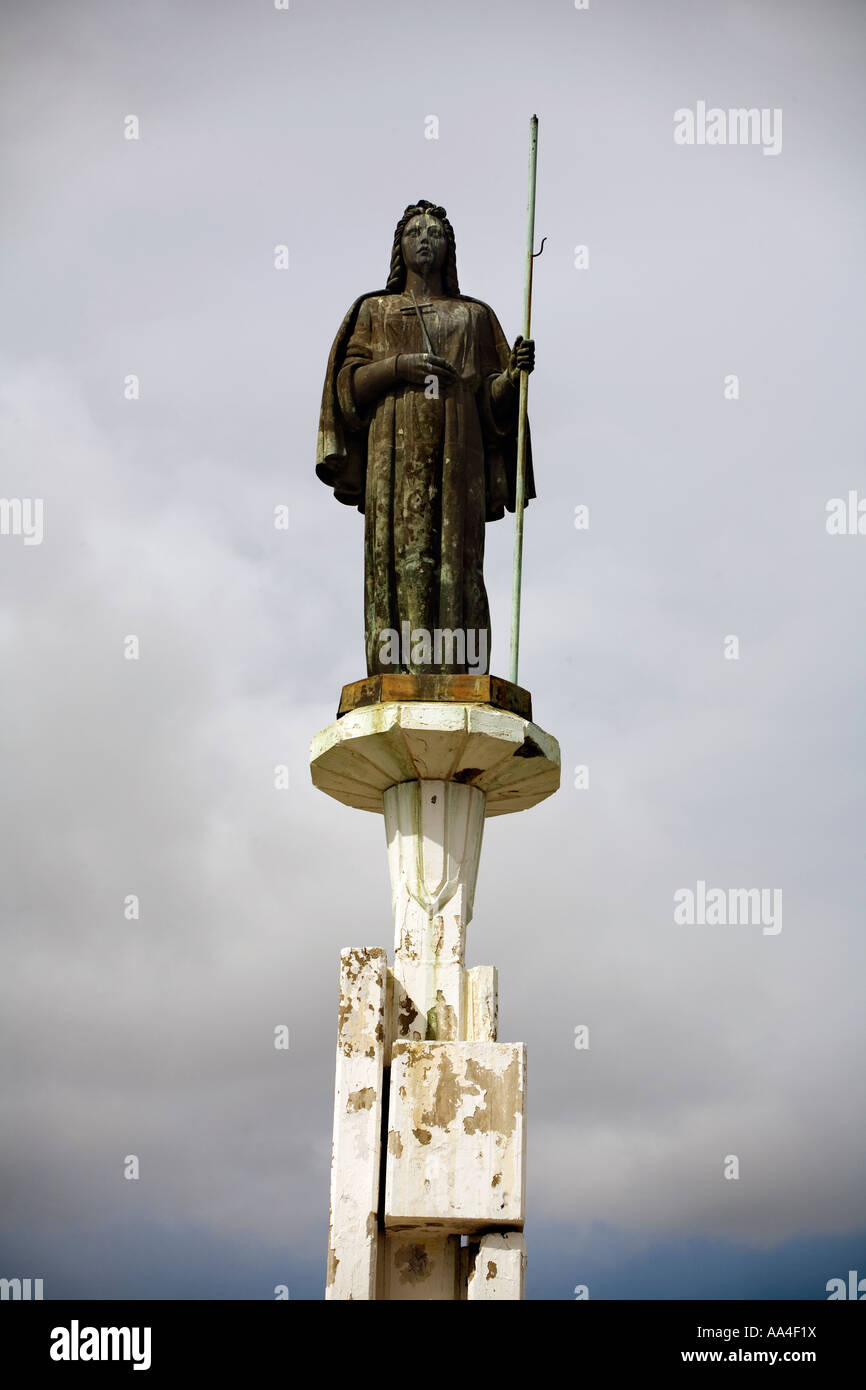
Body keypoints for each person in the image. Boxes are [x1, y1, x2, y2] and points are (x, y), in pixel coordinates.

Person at [316, 200, 535, 676]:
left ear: (449, 248)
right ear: (400, 247)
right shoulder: (375, 310)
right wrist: (399, 367)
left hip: (461, 447)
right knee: (400, 554)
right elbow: (347, 386)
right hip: (392, 448)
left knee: (459, 557)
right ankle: (400, 668)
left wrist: (512, 378)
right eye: (415, 231)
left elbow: (490, 402)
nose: (425, 239)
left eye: (435, 233)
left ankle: (459, 668)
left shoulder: (474, 316)